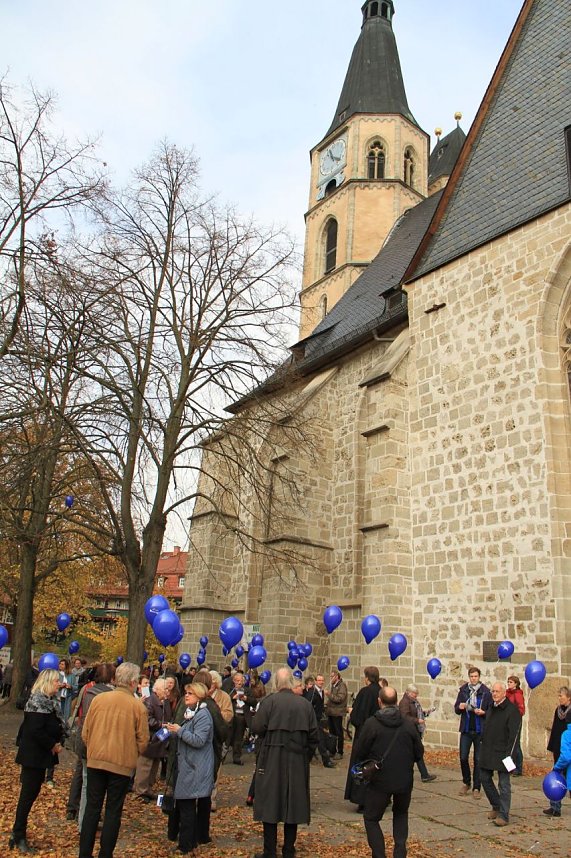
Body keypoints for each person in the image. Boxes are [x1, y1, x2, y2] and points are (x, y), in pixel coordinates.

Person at [79, 661, 149, 858]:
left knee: (92, 808)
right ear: (133, 682)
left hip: (96, 760)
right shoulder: (137, 707)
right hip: (121, 765)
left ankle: (84, 853)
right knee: (113, 811)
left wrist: (94, 748)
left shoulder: (99, 700)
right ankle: (105, 854)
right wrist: (132, 752)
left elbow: (85, 732)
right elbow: (143, 741)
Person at [251, 667, 318, 858]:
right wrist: (305, 756)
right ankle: (288, 849)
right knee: (292, 804)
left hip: (272, 757)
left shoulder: (269, 702)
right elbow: (314, 736)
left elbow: (257, 727)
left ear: (276, 683)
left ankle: (269, 851)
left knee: (270, 802)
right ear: (290, 682)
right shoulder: (304, 705)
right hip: (296, 758)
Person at [354, 685, 424, 858]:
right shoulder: (408, 724)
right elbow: (419, 752)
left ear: (380, 702)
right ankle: (400, 852)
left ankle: (379, 854)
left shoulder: (372, 724)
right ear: (396, 701)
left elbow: (359, 751)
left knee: (371, 818)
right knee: (400, 814)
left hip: (379, 780)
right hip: (403, 779)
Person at [10, 669, 66, 853]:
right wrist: (52, 745)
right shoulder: (37, 701)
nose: (59, 684)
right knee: (27, 795)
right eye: (56, 681)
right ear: (48, 682)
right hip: (33, 756)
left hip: (41, 756)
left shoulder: (50, 701)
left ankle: (19, 832)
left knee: (31, 794)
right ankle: (18, 834)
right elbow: (35, 730)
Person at [165, 682, 215, 855]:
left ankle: (186, 845)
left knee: (186, 806)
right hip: (188, 766)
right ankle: (189, 842)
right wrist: (173, 730)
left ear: (199, 696)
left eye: (190, 693)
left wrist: (179, 731)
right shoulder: (191, 713)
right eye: (186, 693)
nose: (186, 695)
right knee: (185, 805)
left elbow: (199, 740)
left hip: (195, 767)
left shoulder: (203, 715)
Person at [479, 681, 522, 827]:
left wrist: (510, 756)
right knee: (484, 777)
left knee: (504, 784)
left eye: (497, 691)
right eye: (493, 691)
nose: (494, 694)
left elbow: (514, 736)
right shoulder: (491, 707)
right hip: (488, 750)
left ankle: (504, 815)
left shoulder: (512, 710)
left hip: (504, 753)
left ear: (504, 693)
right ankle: (496, 805)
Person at [345, 666, 382, 811]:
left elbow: (357, 717)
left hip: (364, 735)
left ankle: (362, 800)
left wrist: (352, 713)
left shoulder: (365, 692)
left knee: (362, 766)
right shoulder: (381, 691)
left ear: (367, 677)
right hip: (379, 736)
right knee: (376, 766)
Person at [454, 666, 492, 798]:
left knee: (478, 759)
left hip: (479, 730)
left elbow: (490, 711)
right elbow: (456, 708)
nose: (473, 679)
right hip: (466, 729)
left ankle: (477, 787)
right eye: (471, 676)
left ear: (479, 677)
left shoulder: (485, 692)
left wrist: (483, 712)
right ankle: (466, 782)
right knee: (463, 757)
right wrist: (460, 707)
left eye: (476, 676)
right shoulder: (464, 690)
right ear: (469, 677)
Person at [133, 677, 172, 801]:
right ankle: (140, 791)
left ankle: (148, 788)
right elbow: (147, 719)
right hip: (150, 738)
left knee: (154, 765)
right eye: (165, 689)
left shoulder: (165, 702)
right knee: (145, 765)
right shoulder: (150, 701)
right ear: (157, 690)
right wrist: (161, 725)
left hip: (160, 738)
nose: (167, 692)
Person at [398, 685, 437, 782]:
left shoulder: (413, 701)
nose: (416, 695)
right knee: (415, 752)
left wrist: (425, 713)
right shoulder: (404, 702)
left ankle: (424, 775)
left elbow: (416, 713)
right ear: (409, 693)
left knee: (417, 752)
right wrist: (417, 721)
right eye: (414, 694)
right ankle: (422, 775)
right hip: (409, 730)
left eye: (416, 694)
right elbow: (404, 717)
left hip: (414, 730)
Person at [544, 686, 571, 816]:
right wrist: (552, 747)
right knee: (556, 777)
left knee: (568, 776)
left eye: (561, 696)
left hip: (567, 747)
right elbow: (555, 729)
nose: (559, 698)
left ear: (569, 697)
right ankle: (555, 807)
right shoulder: (558, 710)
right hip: (558, 747)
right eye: (558, 695)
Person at [303, 675, 335, 767]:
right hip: (312, 719)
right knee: (320, 739)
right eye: (319, 680)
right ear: (316, 681)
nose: (321, 682)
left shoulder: (322, 692)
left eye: (322, 680)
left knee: (315, 739)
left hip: (318, 719)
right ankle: (326, 760)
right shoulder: (312, 692)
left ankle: (307, 758)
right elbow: (308, 704)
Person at [228, 671, 255, 765]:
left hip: (242, 717)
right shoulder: (230, 689)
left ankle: (236, 758)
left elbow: (254, 702)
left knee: (238, 738)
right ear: (234, 681)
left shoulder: (247, 690)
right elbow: (225, 699)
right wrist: (233, 697)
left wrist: (246, 699)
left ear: (243, 682)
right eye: (237, 680)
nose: (239, 682)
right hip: (232, 716)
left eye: (240, 681)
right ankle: (222, 756)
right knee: (227, 737)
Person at [325, 669, 348, 759]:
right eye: (330, 676)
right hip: (331, 712)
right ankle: (332, 750)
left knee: (339, 732)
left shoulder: (342, 685)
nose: (330, 678)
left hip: (337, 713)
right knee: (332, 732)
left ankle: (340, 751)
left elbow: (339, 699)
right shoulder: (333, 685)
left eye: (332, 676)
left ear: (337, 677)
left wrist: (329, 695)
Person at [506, 675, 525, 776]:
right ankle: (509, 767)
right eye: (508, 682)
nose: (509, 684)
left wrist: (513, 714)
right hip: (507, 721)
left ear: (516, 684)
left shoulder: (518, 694)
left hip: (515, 721)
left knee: (515, 744)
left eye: (511, 682)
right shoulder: (507, 693)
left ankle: (518, 768)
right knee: (508, 743)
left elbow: (521, 710)